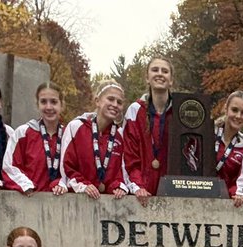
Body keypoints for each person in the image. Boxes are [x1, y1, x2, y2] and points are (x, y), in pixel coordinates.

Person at [62, 83, 128, 199]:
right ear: (97, 101)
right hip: (77, 199)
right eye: (110, 99)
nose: (115, 105)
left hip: (108, 204)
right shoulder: (76, 127)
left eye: (119, 102)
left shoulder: (120, 135)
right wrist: (83, 185)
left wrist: (118, 186)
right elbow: (66, 165)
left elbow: (121, 170)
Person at [2, 82, 68, 195]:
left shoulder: (68, 136)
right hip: (29, 201)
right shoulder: (23, 133)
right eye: (43, 102)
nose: (48, 107)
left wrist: (62, 183)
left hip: (62, 204)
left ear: (61, 105)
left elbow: (75, 170)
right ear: (37, 104)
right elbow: (9, 167)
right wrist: (26, 185)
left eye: (54, 102)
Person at [122, 56, 174, 200]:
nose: (159, 74)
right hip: (142, 192)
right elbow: (129, 155)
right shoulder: (135, 110)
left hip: (172, 192)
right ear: (147, 78)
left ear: (171, 80)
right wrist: (137, 186)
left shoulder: (180, 112)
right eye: (155, 70)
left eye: (165, 71)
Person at [214, 90, 243, 201]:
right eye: (234, 110)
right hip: (200, 197)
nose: (238, 116)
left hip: (229, 203)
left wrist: (238, 193)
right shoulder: (207, 135)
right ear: (226, 109)